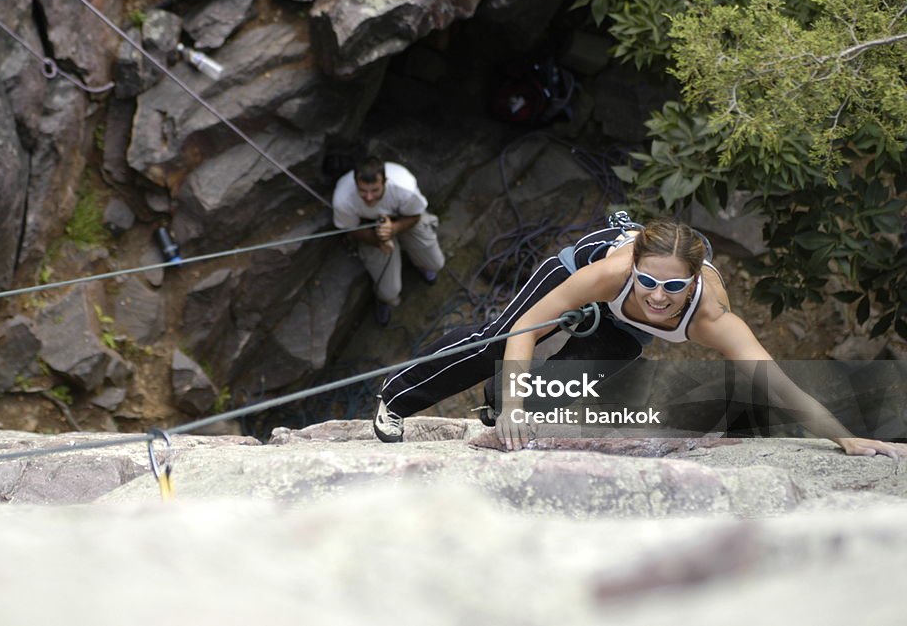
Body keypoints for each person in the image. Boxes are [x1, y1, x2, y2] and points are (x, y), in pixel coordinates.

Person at [372, 214, 907, 459]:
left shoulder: (710, 316)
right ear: (635, 270)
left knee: (572, 382)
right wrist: (514, 403)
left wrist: (844, 436)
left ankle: (495, 400)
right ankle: (395, 397)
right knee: (497, 342)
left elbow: (777, 384)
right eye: (648, 281)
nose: (657, 295)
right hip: (581, 279)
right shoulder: (609, 272)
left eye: (673, 286)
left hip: (622, 324)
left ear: (694, 281)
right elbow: (523, 332)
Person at [332, 157, 445, 326]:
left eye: (375, 190)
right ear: (355, 182)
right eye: (362, 191)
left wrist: (394, 228)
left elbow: (415, 216)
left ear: (385, 181)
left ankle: (419, 261)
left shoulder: (404, 187)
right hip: (369, 229)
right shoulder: (343, 198)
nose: (369, 197)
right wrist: (378, 241)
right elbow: (351, 228)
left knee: (436, 264)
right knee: (389, 292)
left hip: (404, 219)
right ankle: (383, 299)